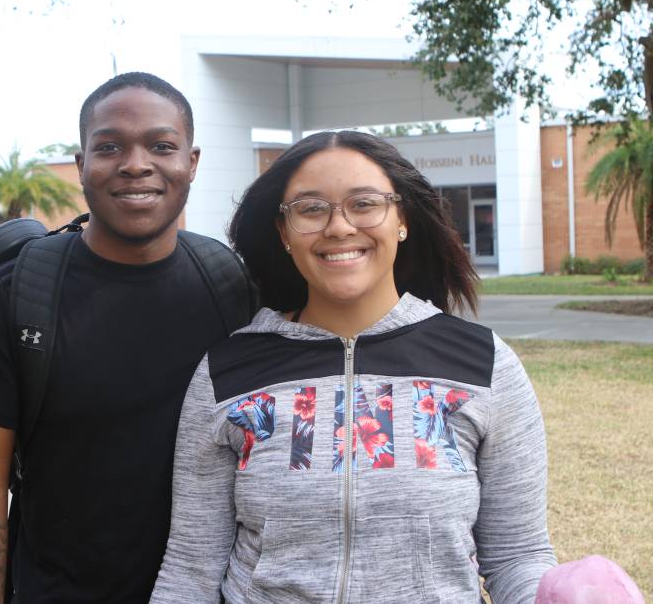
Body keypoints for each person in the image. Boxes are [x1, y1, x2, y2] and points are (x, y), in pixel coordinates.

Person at [151, 130, 558, 603]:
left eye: (364, 204)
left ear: (401, 218)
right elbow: (192, 565)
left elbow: (518, 555)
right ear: (284, 232)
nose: (339, 227)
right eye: (311, 209)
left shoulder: (483, 365)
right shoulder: (228, 372)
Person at [0, 72, 253, 603]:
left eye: (161, 145)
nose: (136, 164)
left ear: (191, 163)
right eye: (110, 147)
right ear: (82, 165)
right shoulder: (19, 293)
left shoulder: (232, 288)